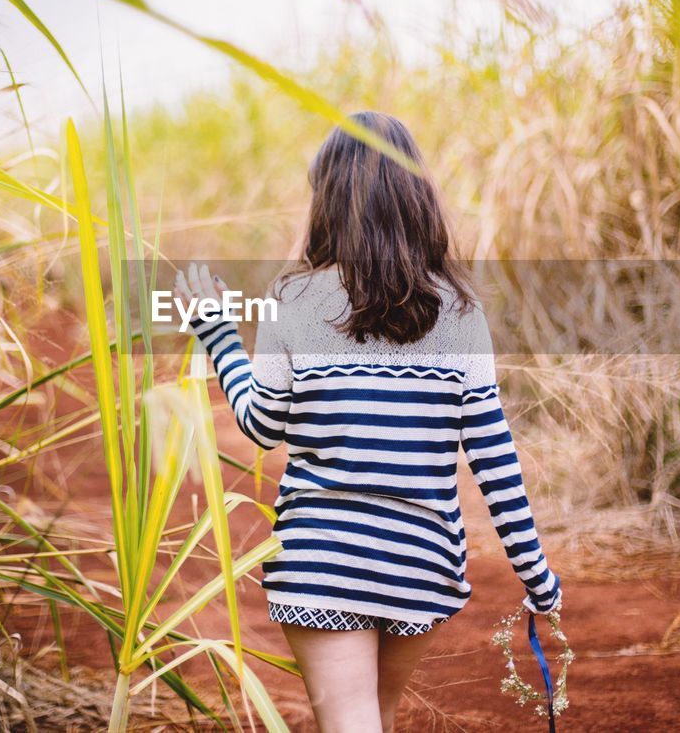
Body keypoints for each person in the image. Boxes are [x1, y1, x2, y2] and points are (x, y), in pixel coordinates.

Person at [174, 111, 560, 732]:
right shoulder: (460, 312)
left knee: (352, 720)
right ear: (416, 198)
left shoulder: (294, 300)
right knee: (374, 713)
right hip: (421, 560)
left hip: (324, 555)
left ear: (326, 199)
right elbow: (493, 458)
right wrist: (535, 572)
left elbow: (262, 425)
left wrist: (217, 331)